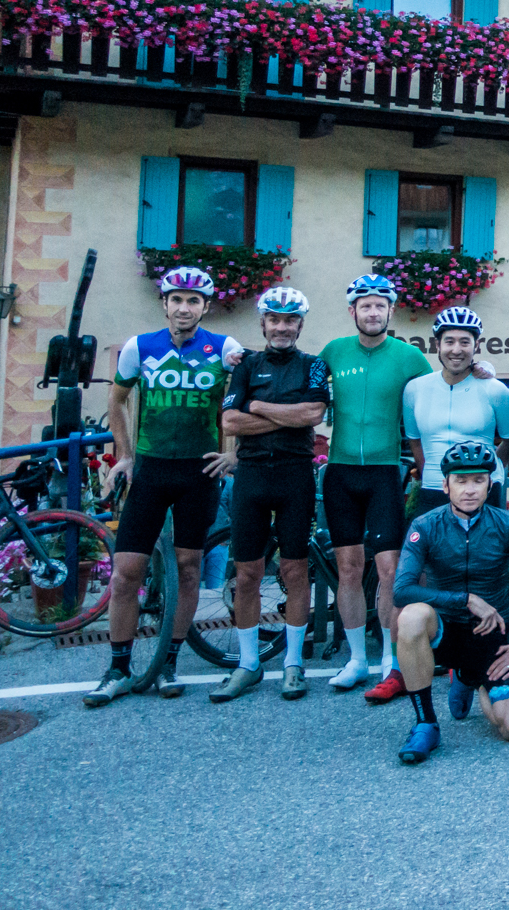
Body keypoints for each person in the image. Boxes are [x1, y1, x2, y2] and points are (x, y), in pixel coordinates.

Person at [85, 266, 242, 707]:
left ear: (205, 307)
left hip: (200, 472)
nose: (184, 307)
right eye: (177, 299)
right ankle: (118, 667)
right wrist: (125, 455)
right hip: (151, 471)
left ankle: (169, 662)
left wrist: (233, 452)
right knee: (124, 575)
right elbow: (116, 400)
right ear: (165, 304)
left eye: (194, 301)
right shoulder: (140, 347)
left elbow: (243, 398)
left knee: (189, 567)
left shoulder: (223, 348)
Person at [391, 440, 509, 764]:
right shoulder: (425, 526)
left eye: (478, 480)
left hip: (491, 638)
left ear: (490, 484)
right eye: (461, 480)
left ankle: (471, 679)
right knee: (411, 617)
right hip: (444, 631)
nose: (469, 489)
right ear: (445, 484)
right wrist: (465, 600)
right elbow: (402, 591)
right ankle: (426, 723)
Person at [211, 287, 329, 703]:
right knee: (247, 574)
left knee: (295, 571)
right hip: (253, 476)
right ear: (263, 323)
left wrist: (258, 408)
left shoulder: (314, 366)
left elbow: (313, 414)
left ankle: (293, 664)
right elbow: (229, 422)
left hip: (295, 475)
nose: (282, 327)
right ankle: (248, 665)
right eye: (275, 320)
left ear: (300, 324)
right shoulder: (245, 366)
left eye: (290, 320)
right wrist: (284, 418)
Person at [316, 273, 431, 697]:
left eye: (380, 305)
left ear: (390, 311)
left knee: (388, 570)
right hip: (341, 471)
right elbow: (298, 384)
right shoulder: (332, 352)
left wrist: (481, 368)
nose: (372, 311)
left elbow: (440, 388)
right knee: (347, 568)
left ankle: (389, 657)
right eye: (364, 305)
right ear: (353, 312)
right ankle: (355, 660)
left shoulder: (408, 357)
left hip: (385, 472)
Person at [401, 307, 509, 518]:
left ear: (476, 346)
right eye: (449, 341)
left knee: (484, 551)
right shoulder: (415, 389)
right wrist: (430, 473)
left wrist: (492, 468)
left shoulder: (495, 390)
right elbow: (415, 440)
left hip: (482, 490)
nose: (456, 349)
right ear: (437, 345)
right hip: (433, 488)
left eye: (465, 342)